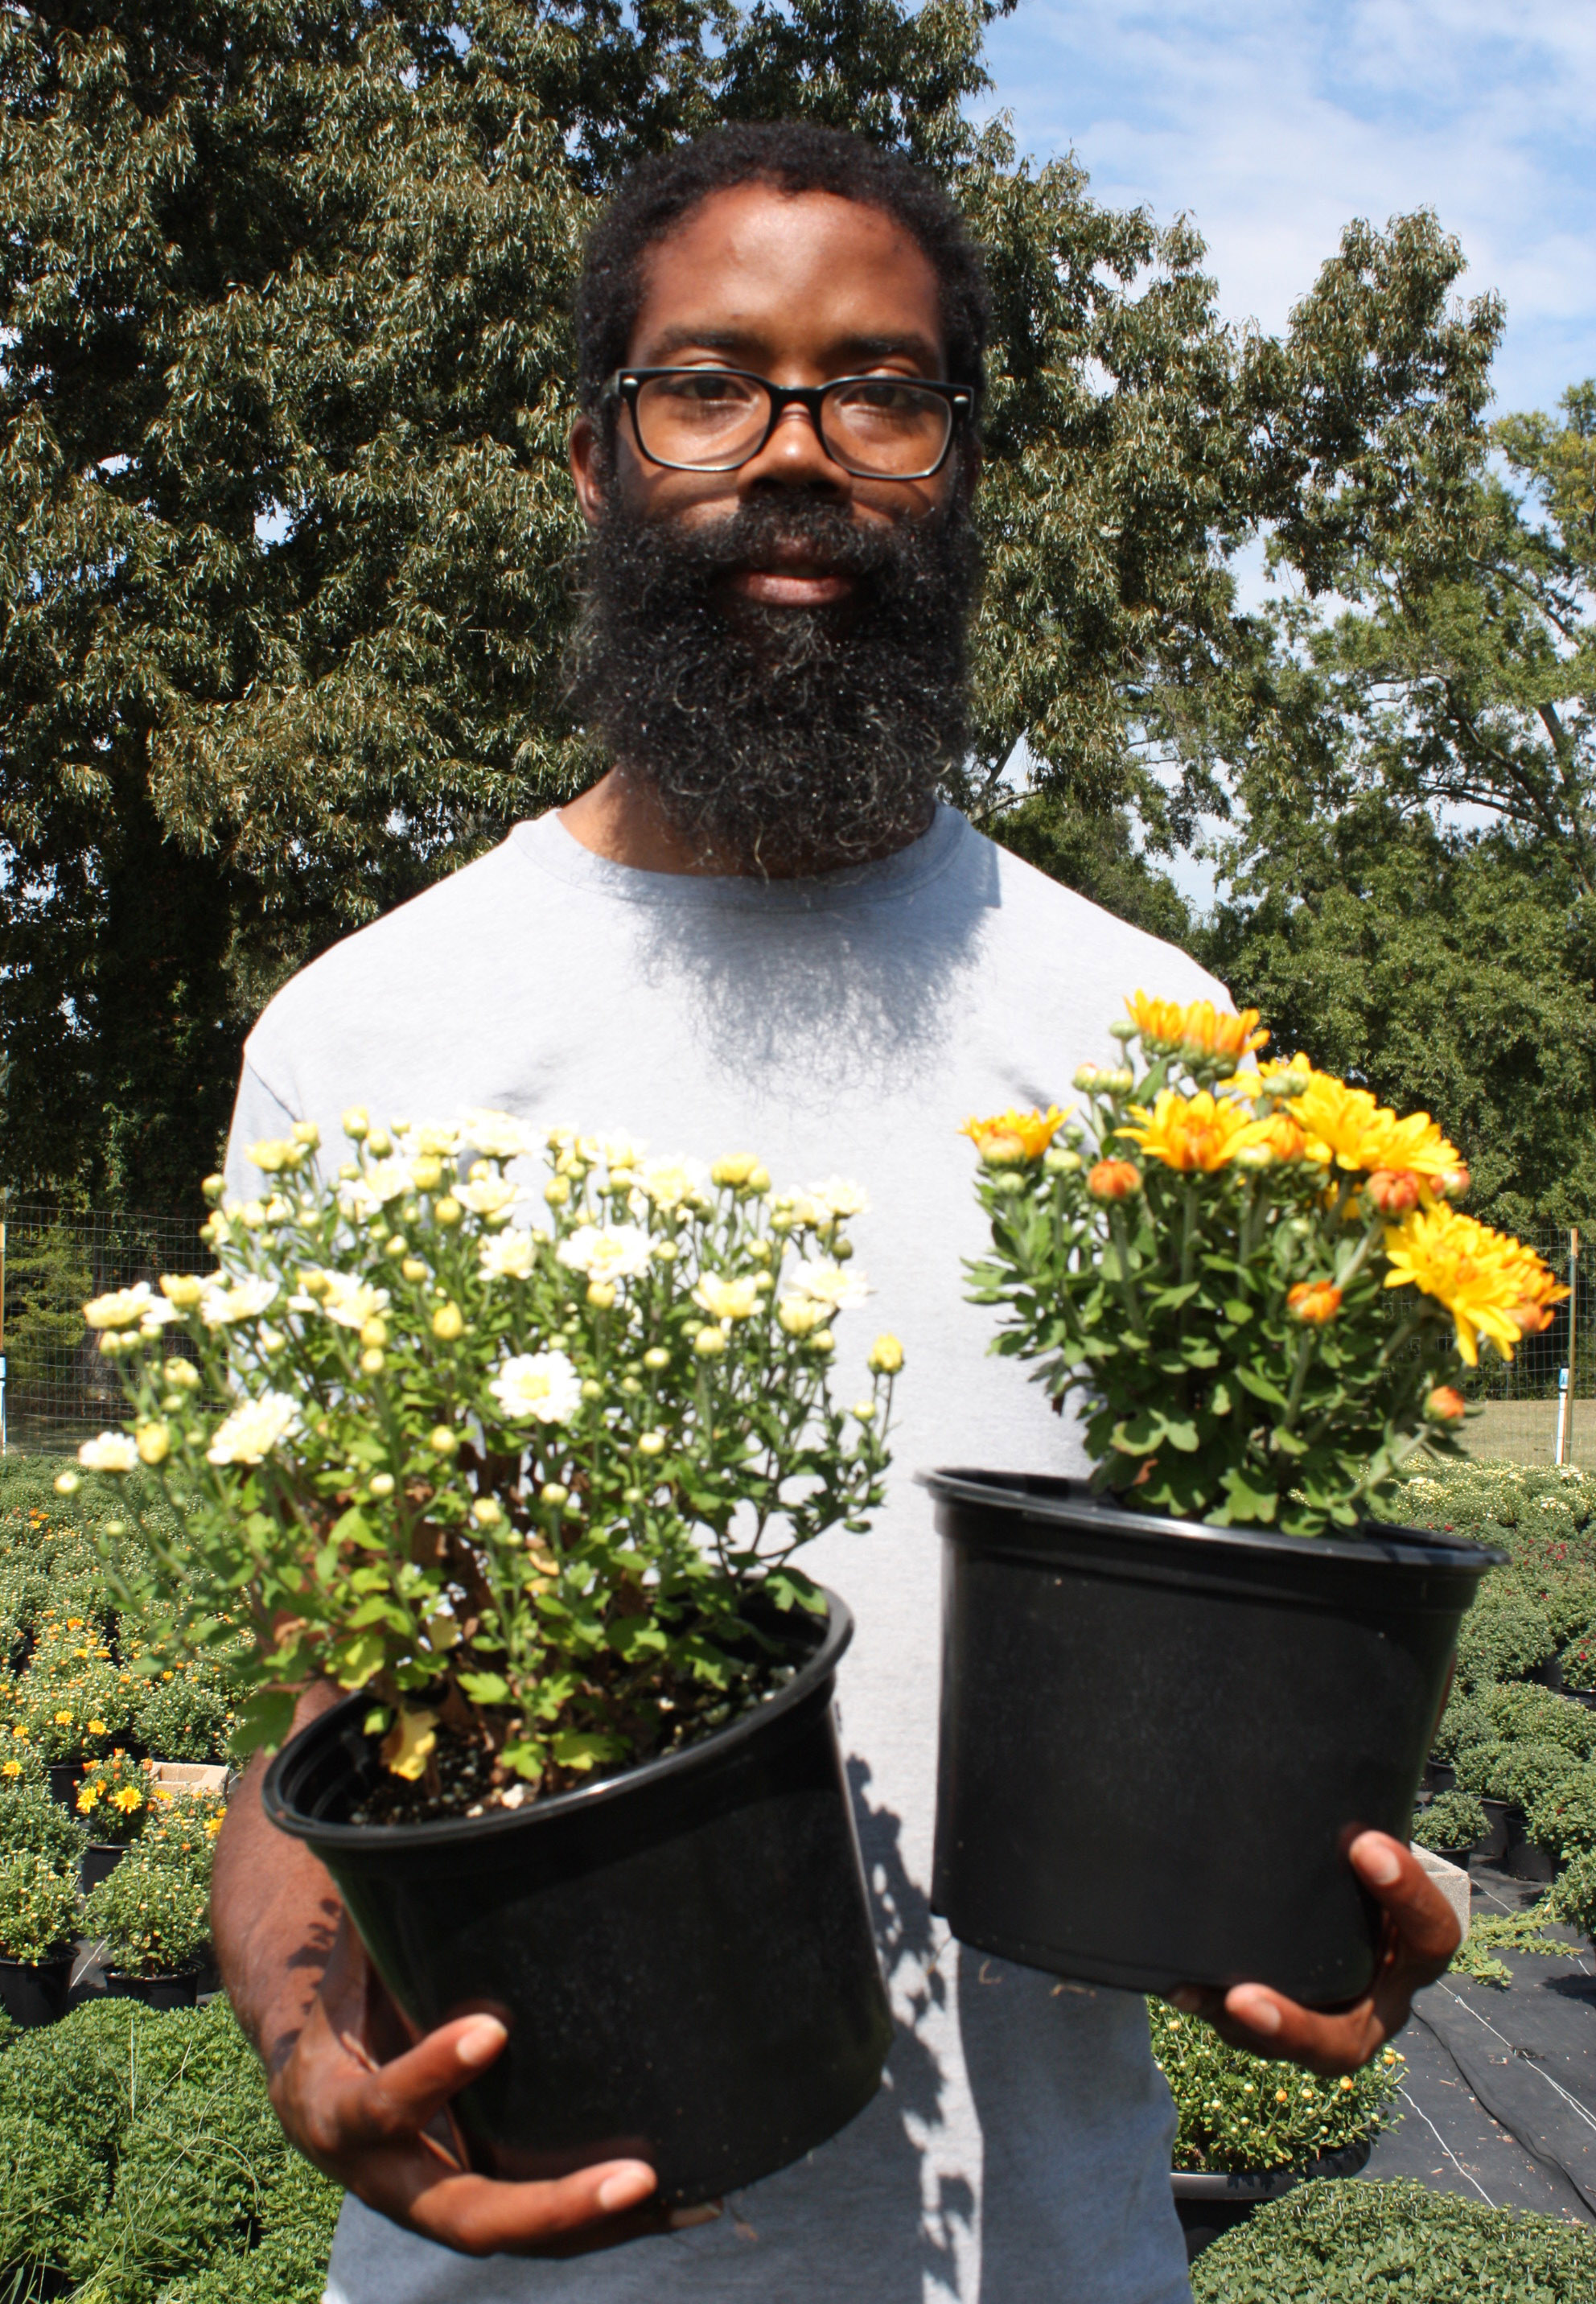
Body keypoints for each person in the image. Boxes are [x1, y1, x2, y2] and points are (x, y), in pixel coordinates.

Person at [212, 121, 1460, 2304]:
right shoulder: (379, 1033)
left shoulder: (1147, 1041)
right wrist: (312, 2043)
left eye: (878, 388)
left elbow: (1212, 1679)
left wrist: (1304, 1899)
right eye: (710, 382)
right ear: (595, 459)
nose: (795, 453)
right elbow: (321, 1714)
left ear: (958, 465)